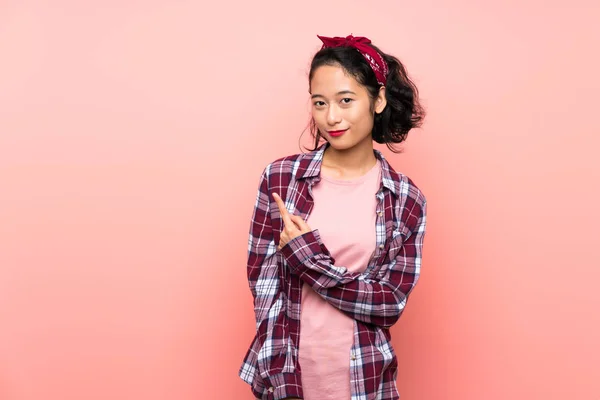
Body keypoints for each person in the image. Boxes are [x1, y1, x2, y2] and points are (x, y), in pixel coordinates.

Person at [238, 34, 428, 400]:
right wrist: (278, 375)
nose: (331, 117)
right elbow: (263, 287)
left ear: (379, 100)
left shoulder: (406, 199)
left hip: (364, 377)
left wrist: (309, 261)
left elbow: (389, 303)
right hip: (288, 375)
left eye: (346, 100)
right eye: (319, 103)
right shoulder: (281, 179)